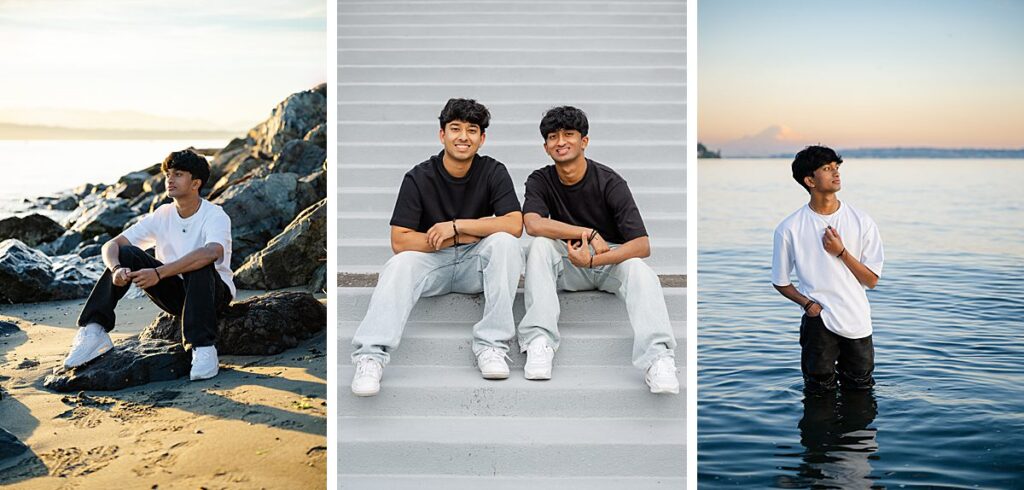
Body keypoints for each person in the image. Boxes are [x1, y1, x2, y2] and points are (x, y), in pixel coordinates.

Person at [349, 98, 523, 397]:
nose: (463, 137)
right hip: (434, 263)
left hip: (474, 265)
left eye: (472, 130)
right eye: (455, 129)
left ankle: (492, 346)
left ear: (482, 138)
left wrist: (456, 226)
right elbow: (400, 241)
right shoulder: (419, 177)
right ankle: (371, 357)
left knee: (506, 245)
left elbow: (514, 225)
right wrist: (454, 239)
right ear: (442, 134)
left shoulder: (493, 171)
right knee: (399, 265)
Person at [517, 106, 679, 394]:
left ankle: (658, 358)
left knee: (640, 271)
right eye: (553, 137)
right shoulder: (540, 180)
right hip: (568, 263)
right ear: (545, 146)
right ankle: (539, 341)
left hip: (606, 263)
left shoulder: (609, 181)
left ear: (584, 141)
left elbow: (642, 245)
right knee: (540, 246)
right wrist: (587, 233)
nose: (561, 142)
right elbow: (532, 224)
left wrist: (595, 260)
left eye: (569, 134)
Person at [63, 149, 235, 381]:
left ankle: (203, 348)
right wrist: (116, 269)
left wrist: (158, 272)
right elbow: (112, 245)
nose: (170, 179)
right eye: (168, 174)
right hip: (177, 297)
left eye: (178, 174)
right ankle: (94, 330)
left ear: (196, 183)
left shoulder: (215, 215)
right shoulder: (162, 214)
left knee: (200, 261)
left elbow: (212, 252)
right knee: (127, 253)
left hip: (212, 295)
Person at [771, 145, 884, 393]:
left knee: (861, 390)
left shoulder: (861, 221)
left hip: (857, 319)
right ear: (809, 180)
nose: (836, 173)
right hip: (818, 322)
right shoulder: (789, 227)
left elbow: (872, 280)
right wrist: (808, 305)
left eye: (836, 167)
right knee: (818, 391)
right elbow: (780, 281)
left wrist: (841, 252)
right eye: (826, 168)